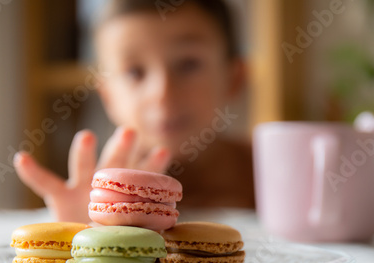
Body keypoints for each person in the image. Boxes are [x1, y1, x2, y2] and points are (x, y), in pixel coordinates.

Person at [14, 0, 254, 223]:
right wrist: (85, 228)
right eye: (134, 72)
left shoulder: (270, 175)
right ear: (107, 97)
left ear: (234, 78)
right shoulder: (92, 198)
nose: (162, 93)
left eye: (188, 64)